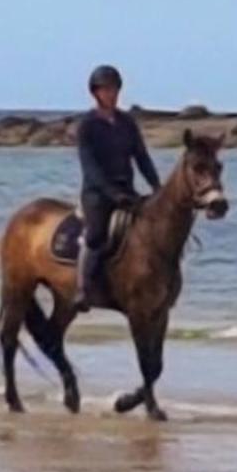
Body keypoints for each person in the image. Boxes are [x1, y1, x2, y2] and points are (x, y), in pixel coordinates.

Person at [76, 64, 159, 299]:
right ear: (95, 93)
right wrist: (112, 194)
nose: (111, 94)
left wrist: (156, 187)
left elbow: (141, 157)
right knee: (96, 235)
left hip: (126, 190)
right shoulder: (87, 126)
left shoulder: (127, 123)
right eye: (105, 90)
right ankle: (84, 288)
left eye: (114, 89)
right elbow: (90, 168)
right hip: (97, 194)